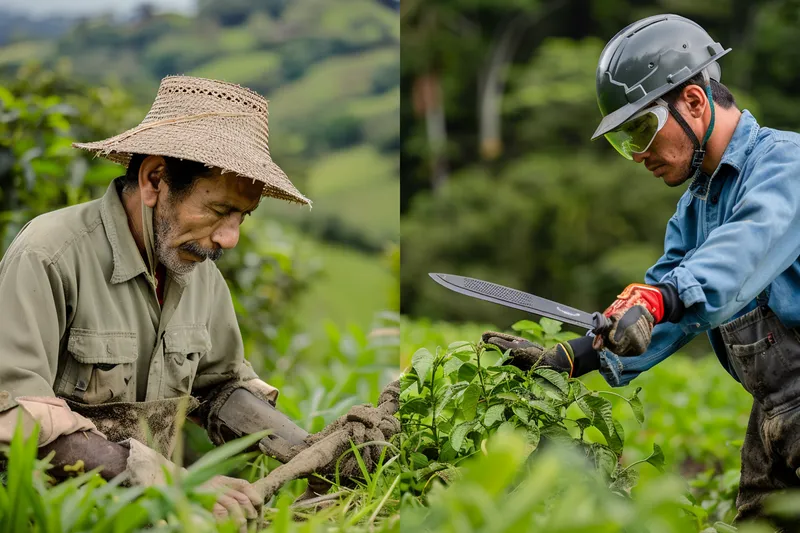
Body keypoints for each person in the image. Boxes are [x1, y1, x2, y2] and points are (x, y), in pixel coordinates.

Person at [0, 75, 398, 526]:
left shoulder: (199, 275)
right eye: (218, 211)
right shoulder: (49, 256)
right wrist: (178, 485)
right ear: (154, 180)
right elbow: (13, 415)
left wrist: (312, 450)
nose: (229, 239)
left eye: (242, 217)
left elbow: (221, 388)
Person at [482, 13, 800, 526]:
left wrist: (660, 299)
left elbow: (745, 250)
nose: (636, 155)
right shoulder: (693, 211)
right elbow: (667, 306)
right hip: (772, 413)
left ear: (695, 102)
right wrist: (571, 358)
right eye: (622, 141)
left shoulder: (788, 165)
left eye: (642, 130)